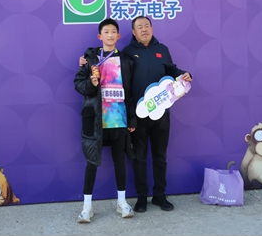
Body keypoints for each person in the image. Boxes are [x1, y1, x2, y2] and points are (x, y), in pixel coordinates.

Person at [122, 15, 192, 212]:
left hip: (161, 115)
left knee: (160, 157)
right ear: (134, 32)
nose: (144, 29)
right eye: (139, 27)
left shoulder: (162, 50)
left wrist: (184, 75)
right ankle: (141, 198)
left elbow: (172, 70)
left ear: (152, 29)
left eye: (147, 26)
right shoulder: (127, 53)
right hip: (138, 117)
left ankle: (159, 196)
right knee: (139, 158)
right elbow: (124, 85)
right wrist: (130, 116)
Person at [73, 19, 136, 224]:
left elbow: (131, 92)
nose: (110, 35)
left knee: (120, 162)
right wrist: (92, 84)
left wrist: (132, 118)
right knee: (92, 163)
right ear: (100, 36)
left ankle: (121, 202)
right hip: (95, 120)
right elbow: (78, 84)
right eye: (106, 32)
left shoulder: (126, 60)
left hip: (118, 119)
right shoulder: (90, 58)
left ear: (118, 36)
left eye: (113, 32)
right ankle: (87, 207)